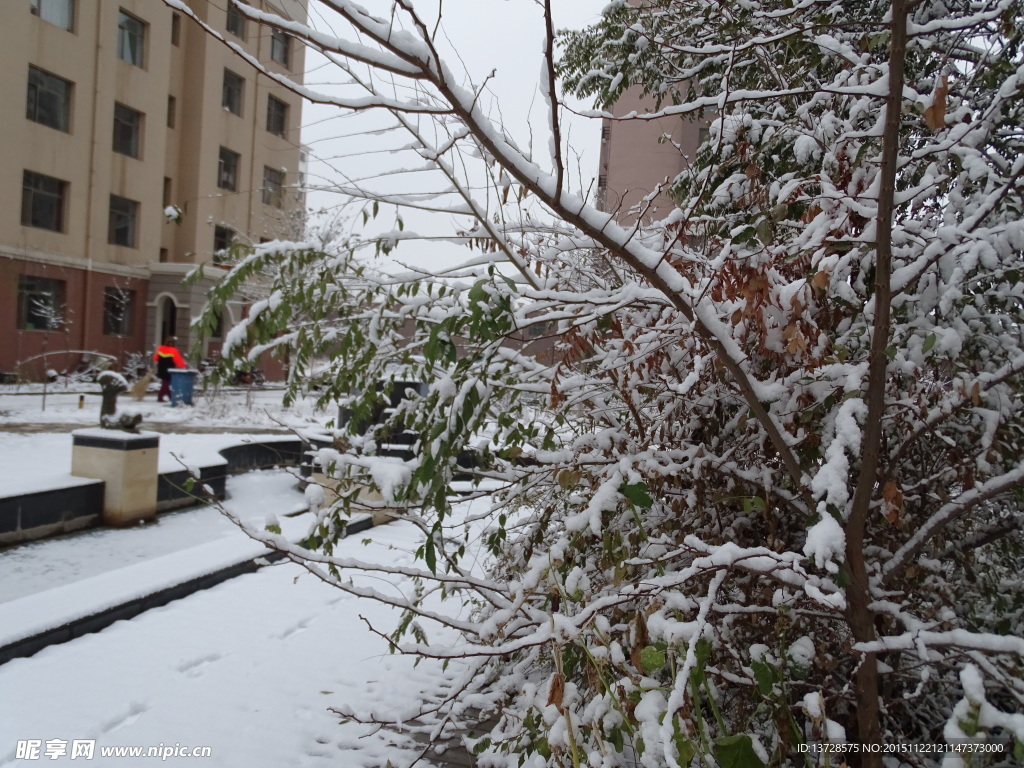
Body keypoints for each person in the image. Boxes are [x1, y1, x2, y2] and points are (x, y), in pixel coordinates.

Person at [152, 336, 186, 403]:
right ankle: (160, 397)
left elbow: (155, 358)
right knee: (166, 383)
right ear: (173, 343)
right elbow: (178, 362)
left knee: (166, 383)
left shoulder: (160, 348)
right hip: (169, 370)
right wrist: (183, 366)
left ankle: (170, 396)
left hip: (161, 368)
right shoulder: (174, 351)